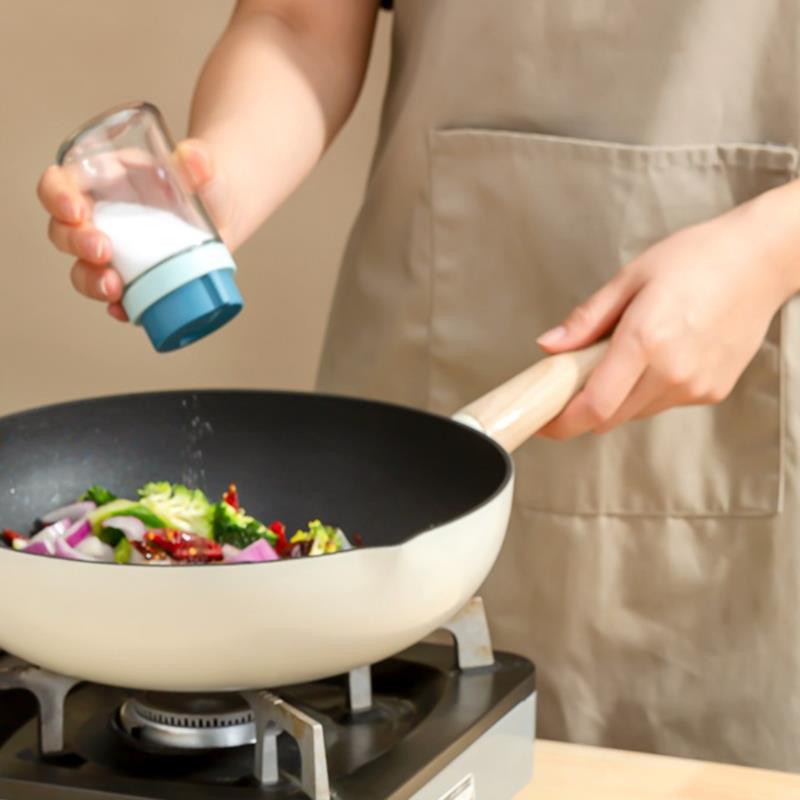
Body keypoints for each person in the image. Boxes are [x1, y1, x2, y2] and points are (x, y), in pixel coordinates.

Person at [37, 0, 800, 771]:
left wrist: (773, 252)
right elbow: (296, 25)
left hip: (742, 419)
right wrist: (220, 181)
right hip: (416, 419)